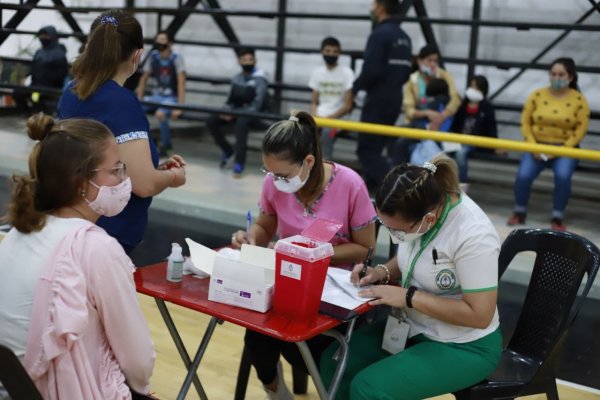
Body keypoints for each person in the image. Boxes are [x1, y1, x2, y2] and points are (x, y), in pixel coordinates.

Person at [320, 155, 502, 400]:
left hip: (464, 345)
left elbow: (480, 315)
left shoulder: (474, 235)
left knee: (369, 388)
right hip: (412, 327)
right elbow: (414, 254)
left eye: (397, 230)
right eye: (387, 227)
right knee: (333, 362)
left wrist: (408, 297)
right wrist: (381, 272)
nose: (394, 236)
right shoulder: (421, 212)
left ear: (429, 218)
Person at [0, 114, 155, 399]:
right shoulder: (96, 248)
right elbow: (139, 360)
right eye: (116, 169)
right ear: (82, 182)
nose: (124, 179)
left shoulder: (20, 232)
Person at [231, 111, 377, 400]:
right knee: (256, 332)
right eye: (269, 173)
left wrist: (311, 254)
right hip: (288, 281)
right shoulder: (274, 184)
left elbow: (365, 248)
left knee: (304, 346)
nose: (275, 181)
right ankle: (275, 390)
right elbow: (265, 225)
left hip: (334, 288)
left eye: (282, 175)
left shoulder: (349, 184)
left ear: (308, 161)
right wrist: (251, 237)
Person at [58, 10, 187, 254]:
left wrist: (151, 168)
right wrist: (172, 177)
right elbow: (144, 185)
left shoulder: (72, 91)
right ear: (138, 55)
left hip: (72, 221)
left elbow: (98, 163)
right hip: (108, 233)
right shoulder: (121, 102)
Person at [507, 57, 589, 231]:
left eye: (561, 74)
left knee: (563, 176)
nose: (556, 77)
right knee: (523, 176)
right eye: (553, 74)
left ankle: (557, 217)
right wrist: (532, 145)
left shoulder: (579, 100)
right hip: (536, 147)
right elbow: (525, 122)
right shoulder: (536, 95)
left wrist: (561, 150)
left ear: (571, 77)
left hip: (565, 149)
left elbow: (581, 129)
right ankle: (519, 211)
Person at [352, 0, 412, 192]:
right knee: (377, 148)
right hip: (395, 99)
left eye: (373, 4)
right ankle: (372, 190)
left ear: (380, 7)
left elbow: (371, 70)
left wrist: (354, 89)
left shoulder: (379, 35)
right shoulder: (404, 37)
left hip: (378, 99)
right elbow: (405, 72)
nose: (371, 9)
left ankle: (399, 188)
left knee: (367, 150)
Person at [207, 47, 269, 177]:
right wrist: (226, 111)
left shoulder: (260, 79)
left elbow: (257, 105)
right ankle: (228, 151)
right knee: (211, 120)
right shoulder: (236, 78)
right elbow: (230, 100)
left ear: (255, 60)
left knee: (241, 124)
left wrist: (235, 113)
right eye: (243, 60)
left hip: (254, 115)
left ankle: (239, 162)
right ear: (239, 61)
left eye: (250, 59)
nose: (247, 62)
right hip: (237, 113)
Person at [136, 30, 187, 156]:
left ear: (170, 43)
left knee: (160, 114)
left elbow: (181, 82)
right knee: (135, 110)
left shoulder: (176, 58)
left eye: (163, 40)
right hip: (157, 95)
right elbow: (144, 78)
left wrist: (179, 106)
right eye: (158, 40)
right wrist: (139, 98)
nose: (160, 42)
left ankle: (166, 145)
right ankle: (143, 143)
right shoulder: (153, 56)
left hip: (171, 97)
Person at [449, 75, 501, 191]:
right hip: (457, 139)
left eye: (476, 88)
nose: (473, 90)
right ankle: (440, 183)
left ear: (483, 90)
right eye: (472, 86)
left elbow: (491, 128)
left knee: (461, 154)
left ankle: (461, 186)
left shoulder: (487, 107)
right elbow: (455, 123)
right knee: (442, 153)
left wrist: (496, 146)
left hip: (475, 142)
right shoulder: (463, 104)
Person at [308, 36, 355, 159]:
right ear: (322, 52)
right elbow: (314, 102)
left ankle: (325, 163)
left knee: (327, 132)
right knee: (303, 129)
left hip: (338, 120)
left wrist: (329, 119)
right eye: (328, 51)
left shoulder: (347, 73)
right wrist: (314, 117)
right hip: (320, 117)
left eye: (335, 52)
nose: (331, 54)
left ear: (339, 53)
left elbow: (347, 105)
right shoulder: (317, 73)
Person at [13, 26, 69, 114]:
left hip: (50, 87)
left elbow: (62, 73)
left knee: (38, 98)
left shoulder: (60, 54)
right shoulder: (39, 52)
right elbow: (33, 68)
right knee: (17, 93)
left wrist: (46, 78)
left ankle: (40, 116)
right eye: (41, 36)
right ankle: (29, 115)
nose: (43, 38)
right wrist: (27, 77)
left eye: (46, 36)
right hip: (35, 85)